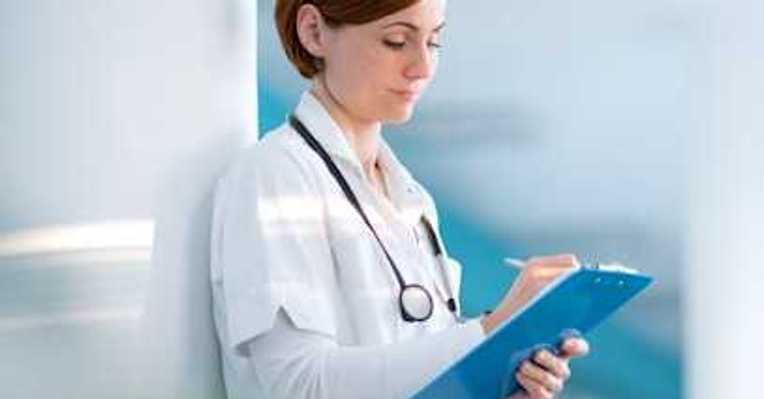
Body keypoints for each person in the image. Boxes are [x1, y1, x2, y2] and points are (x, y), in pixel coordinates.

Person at [209, 0, 588, 397]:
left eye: (434, 42)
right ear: (314, 32)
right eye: (396, 41)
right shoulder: (275, 175)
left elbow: (424, 376)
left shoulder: (412, 200)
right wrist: (492, 330)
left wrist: (500, 377)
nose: (422, 67)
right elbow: (299, 385)